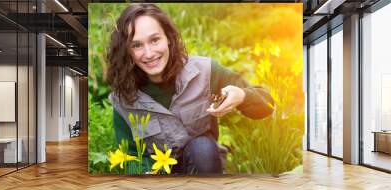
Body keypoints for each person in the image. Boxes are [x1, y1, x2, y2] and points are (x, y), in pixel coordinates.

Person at [106, 3, 274, 174]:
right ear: (127, 50)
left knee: (202, 147)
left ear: (169, 38)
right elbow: (131, 157)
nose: (149, 53)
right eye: (136, 45)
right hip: (160, 185)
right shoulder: (123, 98)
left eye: (155, 40)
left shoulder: (204, 71)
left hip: (204, 169)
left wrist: (242, 95)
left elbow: (267, 105)